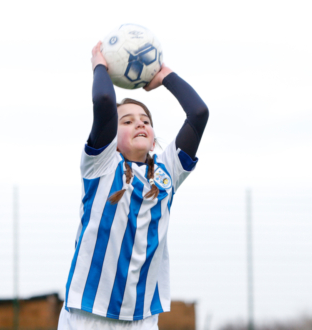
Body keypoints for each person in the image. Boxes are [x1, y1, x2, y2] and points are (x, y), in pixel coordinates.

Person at [58, 42, 209, 330]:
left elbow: (198, 113)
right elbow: (103, 100)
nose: (139, 124)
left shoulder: (167, 171)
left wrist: (164, 75)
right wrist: (99, 64)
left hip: (141, 320)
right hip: (87, 315)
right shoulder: (101, 165)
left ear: (153, 138)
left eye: (145, 121)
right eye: (127, 121)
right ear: (111, 138)